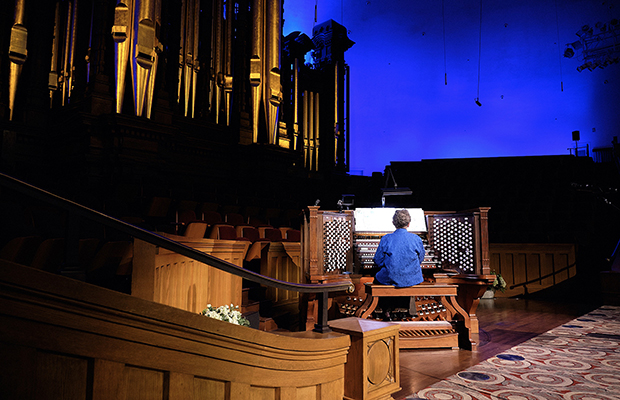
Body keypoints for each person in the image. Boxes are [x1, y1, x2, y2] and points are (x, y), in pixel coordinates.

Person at [373, 209, 425, 320]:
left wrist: (389, 265)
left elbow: (377, 260)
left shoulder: (386, 238)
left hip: (391, 277)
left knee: (380, 278)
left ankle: (385, 310)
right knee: (404, 278)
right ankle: (403, 310)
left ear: (393, 223)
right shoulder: (416, 239)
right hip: (412, 278)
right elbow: (420, 259)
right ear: (409, 223)